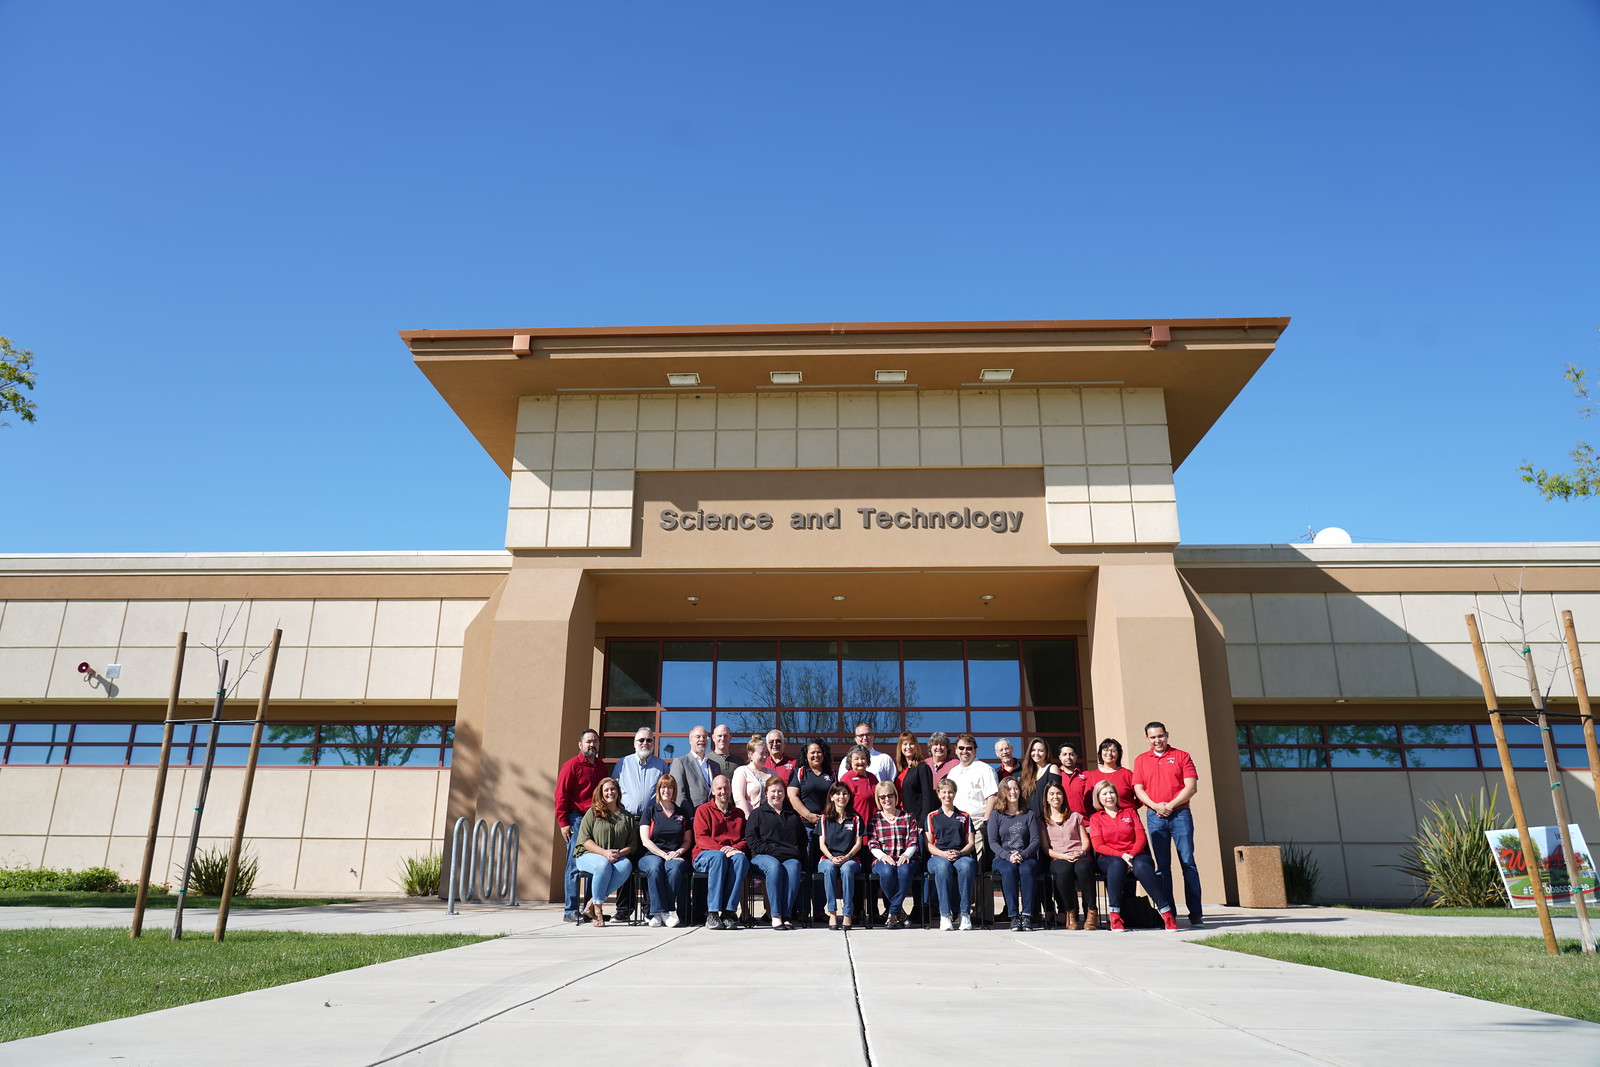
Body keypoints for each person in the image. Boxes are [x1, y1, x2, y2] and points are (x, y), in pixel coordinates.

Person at [1133, 720, 1203, 927]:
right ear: (1147, 739)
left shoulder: (1182, 756)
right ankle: (1169, 913)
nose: (1157, 740)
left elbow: (1191, 787)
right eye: (1153, 737)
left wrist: (1170, 806)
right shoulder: (1141, 760)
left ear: (1167, 735)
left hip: (1180, 815)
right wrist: (1156, 806)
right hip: (1155, 817)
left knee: (1188, 863)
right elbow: (1138, 789)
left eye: (1160, 736)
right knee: (1162, 867)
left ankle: (1195, 913)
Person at [1087, 779, 1178, 932]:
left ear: (1116, 795)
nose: (1109, 796)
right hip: (1110, 858)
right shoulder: (1096, 818)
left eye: (1111, 792)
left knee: (1141, 865)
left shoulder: (1130, 812)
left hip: (1136, 855)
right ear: (1098, 798)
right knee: (1117, 864)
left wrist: (1130, 855)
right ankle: (1115, 916)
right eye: (1104, 794)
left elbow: (1141, 838)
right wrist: (1121, 855)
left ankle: (1166, 913)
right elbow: (1098, 846)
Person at [612, 727, 668, 922]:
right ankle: (623, 909)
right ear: (634, 743)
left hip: (650, 822)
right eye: (641, 740)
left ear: (653, 743)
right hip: (626, 821)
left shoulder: (661, 765)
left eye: (649, 740)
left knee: (648, 863)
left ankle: (648, 909)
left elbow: (665, 793)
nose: (645, 743)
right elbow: (614, 790)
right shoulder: (623, 763)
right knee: (625, 863)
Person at [554, 728, 605, 923]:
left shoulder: (601, 766)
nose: (592, 745)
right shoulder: (571, 766)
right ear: (580, 744)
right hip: (576, 819)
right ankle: (570, 910)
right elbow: (561, 795)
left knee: (595, 864)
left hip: (597, 820)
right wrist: (563, 823)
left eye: (595, 741)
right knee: (574, 864)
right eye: (588, 741)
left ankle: (588, 909)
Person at [572, 777, 638, 928]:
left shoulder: (627, 816)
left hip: (615, 857)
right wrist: (604, 853)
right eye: (606, 790)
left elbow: (632, 845)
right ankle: (598, 910)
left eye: (613, 789)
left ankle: (591, 903)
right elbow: (585, 840)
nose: (610, 793)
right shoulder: (593, 812)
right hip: (588, 855)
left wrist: (618, 854)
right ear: (601, 793)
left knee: (626, 866)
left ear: (618, 792)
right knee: (603, 865)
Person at [692, 775, 751, 930]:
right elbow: (701, 838)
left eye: (726, 788)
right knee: (719, 858)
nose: (723, 791)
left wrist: (735, 849)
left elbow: (745, 839)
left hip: (729, 854)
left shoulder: (738, 814)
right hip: (704, 855)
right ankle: (712, 913)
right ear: (712, 791)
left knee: (741, 860)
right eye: (719, 788)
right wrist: (722, 851)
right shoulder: (703, 810)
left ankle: (728, 912)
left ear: (730, 790)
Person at [747, 776, 805, 929]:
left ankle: (786, 915)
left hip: (788, 857)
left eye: (780, 791)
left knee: (795, 866)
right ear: (766, 793)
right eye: (773, 791)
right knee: (774, 866)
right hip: (762, 856)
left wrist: (795, 853)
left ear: (784, 794)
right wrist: (774, 851)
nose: (776, 794)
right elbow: (752, 840)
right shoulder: (757, 814)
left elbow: (802, 839)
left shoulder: (792, 815)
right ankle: (775, 914)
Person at [787, 740, 835, 922]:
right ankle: (803, 910)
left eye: (819, 752)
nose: (816, 755)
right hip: (806, 828)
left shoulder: (831, 774)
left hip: (827, 829)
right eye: (812, 752)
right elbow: (792, 796)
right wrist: (808, 815)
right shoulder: (800, 773)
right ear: (806, 755)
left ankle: (820, 911)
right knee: (805, 869)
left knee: (822, 869)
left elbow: (837, 797)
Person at [637, 773, 693, 927]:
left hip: (675, 855)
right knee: (655, 867)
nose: (666, 790)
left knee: (674, 869)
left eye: (670, 787)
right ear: (658, 789)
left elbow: (687, 840)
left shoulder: (682, 813)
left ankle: (663, 912)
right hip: (652, 854)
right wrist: (663, 854)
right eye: (663, 787)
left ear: (674, 790)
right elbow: (645, 840)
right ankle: (660, 913)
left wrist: (678, 852)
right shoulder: (650, 811)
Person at [925, 776, 977, 931]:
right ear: (938, 794)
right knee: (943, 867)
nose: (947, 795)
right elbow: (928, 844)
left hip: (961, 856)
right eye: (944, 792)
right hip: (938, 857)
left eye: (950, 792)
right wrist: (943, 854)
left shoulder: (965, 816)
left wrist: (960, 853)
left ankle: (965, 914)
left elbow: (971, 843)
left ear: (955, 794)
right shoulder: (932, 816)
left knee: (967, 866)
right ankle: (945, 915)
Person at [866, 780, 920, 928]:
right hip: (883, 859)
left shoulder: (908, 817)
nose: (887, 799)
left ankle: (892, 912)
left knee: (904, 871)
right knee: (887, 872)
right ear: (878, 799)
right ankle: (899, 912)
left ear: (895, 796)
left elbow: (913, 840)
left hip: (906, 858)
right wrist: (882, 856)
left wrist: (906, 855)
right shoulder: (875, 819)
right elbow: (872, 843)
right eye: (882, 797)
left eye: (890, 795)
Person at [988, 776, 1039, 931]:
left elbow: (1035, 840)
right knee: (1009, 869)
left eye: (1016, 788)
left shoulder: (1028, 814)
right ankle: (1014, 916)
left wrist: (1022, 855)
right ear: (1003, 792)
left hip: (1026, 856)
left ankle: (1027, 915)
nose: (1013, 792)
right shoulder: (996, 814)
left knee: (1026, 869)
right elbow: (993, 842)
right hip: (1002, 857)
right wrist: (1008, 856)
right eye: (1009, 789)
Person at [1042, 781, 1095, 930]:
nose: (1055, 797)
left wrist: (1081, 852)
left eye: (1059, 793)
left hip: (1079, 854)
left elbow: (1085, 840)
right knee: (1063, 869)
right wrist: (1064, 857)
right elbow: (1046, 849)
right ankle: (1070, 912)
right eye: (1052, 794)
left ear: (1063, 796)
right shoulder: (1043, 821)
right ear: (1046, 798)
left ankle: (1091, 910)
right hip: (1058, 857)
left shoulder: (1075, 817)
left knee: (1083, 868)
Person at [944, 733, 998, 862]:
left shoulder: (985, 769)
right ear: (956, 750)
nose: (965, 751)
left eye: (969, 748)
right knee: (957, 862)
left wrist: (986, 821)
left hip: (977, 824)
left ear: (975, 750)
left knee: (978, 862)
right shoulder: (953, 772)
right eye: (961, 748)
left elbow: (993, 797)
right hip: (956, 825)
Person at [818, 782, 864, 929]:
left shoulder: (855, 818)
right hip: (828, 858)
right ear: (831, 797)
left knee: (846, 869)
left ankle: (847, 914)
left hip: (850, 859)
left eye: (845, 793)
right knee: (829, 868)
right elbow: (822, 844)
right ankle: (832, 913)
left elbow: (858, 844)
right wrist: (832, 858)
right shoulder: (824, 818)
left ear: (849, 797)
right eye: (837, 794)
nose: (841, 797)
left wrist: (847, 857)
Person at [668, 724, 717, 809]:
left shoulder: (715, 766)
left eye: (704, 737)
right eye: (698, 737)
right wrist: (689, 814)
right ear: (690, 740)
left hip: (713, 814)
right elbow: (678, 794)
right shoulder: (680, 762)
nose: (702, 739)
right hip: (692, 814)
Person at [894, 731, 937, 826]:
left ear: (916, 746)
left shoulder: (922, 768)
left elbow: (928, 798)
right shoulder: (901, 771)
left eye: (911, 743)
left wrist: (922, 823)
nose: (908, 747)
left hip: (916, 822)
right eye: (905, 744)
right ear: (900, 747)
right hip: (900, 820)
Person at [1085, 738, 1139, 810]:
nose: (1109, 753)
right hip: (1102, 816)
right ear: (1100, 753)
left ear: (1118, 754)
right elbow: (1087, 801)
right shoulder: (1092, 775)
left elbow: (1140, 796)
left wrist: (1131, 810)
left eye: (1113, 751)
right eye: (1106, 750)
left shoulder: (1126, 774)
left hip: (1126, 815)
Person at [731, 735, 773, 815]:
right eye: (761, 753)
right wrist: (748, 817)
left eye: (766, 753)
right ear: (751, 754)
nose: (765, 756)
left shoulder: (772, 773)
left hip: (771, 817)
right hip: (750, 817)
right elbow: (739, 798)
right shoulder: (742, 771)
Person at [839, 744, 880, 825]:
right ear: (850, 761)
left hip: (876, 824)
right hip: (857, 825)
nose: (860, 761)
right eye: (856, 759)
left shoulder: (872, 777)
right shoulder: (846, 779)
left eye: (863, 758)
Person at [1018, 737, 1055, 815]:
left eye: (1040, 750)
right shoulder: (1026, 773)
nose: (1036, 753)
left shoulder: (1052, 768)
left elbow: (1055, 796)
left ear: (1046, 753)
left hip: (1046, 818)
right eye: (1033, 750)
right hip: (1028, 818)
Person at [1058, 742, 1092, 816]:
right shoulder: (1056, 775)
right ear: (1060, 757)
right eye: (1064, 754)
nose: (1068, 757)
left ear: (1076, 757)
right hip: (1062, 819)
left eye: (1071, 754)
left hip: (1083, 820)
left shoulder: (1087, 775)